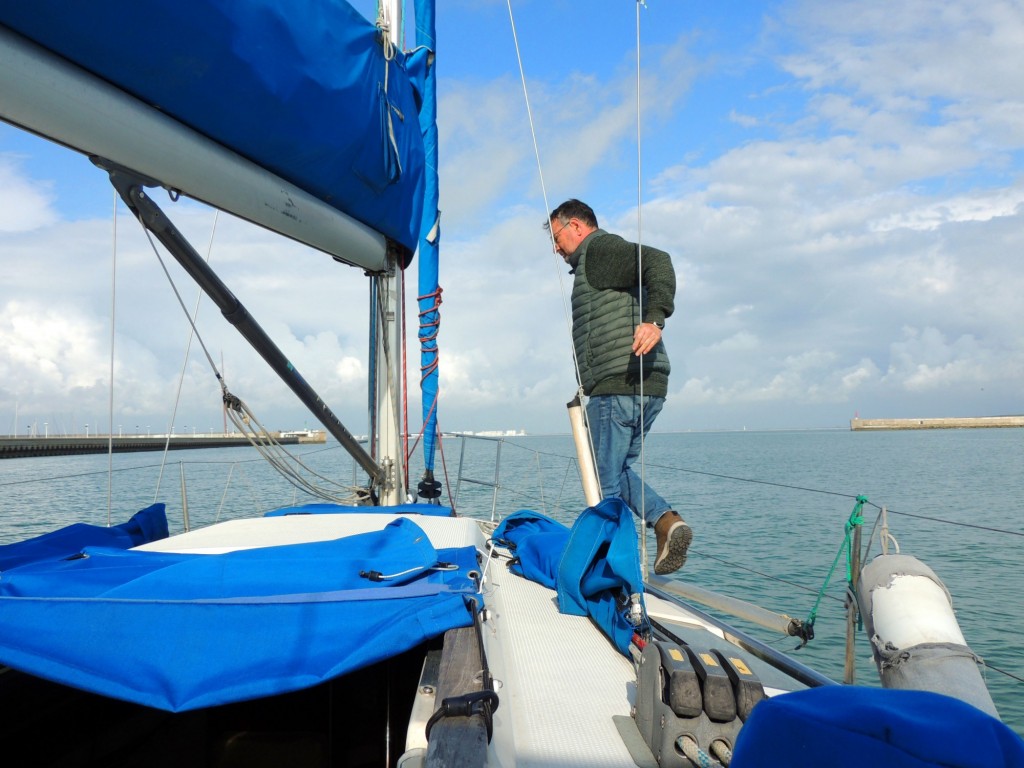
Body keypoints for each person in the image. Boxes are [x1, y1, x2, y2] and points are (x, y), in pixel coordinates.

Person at [547, 199, 692, 575]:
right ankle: (665, 522)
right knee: (618, 470)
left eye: (556, 236)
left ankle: (611, 573)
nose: (556, 247)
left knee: (602, 481)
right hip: (646, 385)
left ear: (576, 226)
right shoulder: (592, 263)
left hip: (619, 383)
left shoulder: (599, 250)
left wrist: (655, 320)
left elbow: (658, 261)